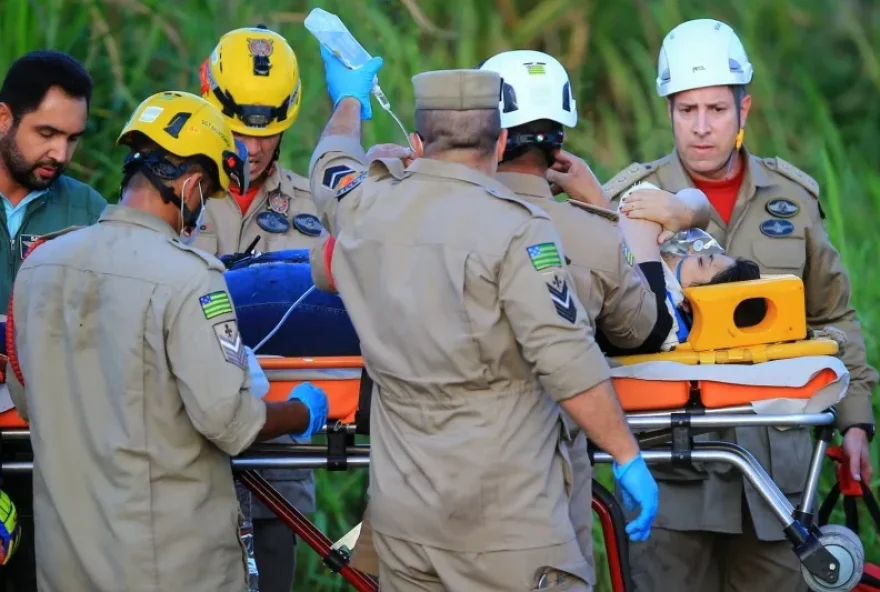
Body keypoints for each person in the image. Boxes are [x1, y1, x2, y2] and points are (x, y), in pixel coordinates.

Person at [308, 43, 658, 591]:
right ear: (496, 143)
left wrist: (348, 101)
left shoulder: (366, 206)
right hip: (504, 525)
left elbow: (331, 167)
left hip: (404, 521)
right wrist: (626, 454)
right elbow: (566, 359)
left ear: (418, 143)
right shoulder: (519, 229)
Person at [4, 90, 329, 592]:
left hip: (67, 567)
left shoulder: (41, 265)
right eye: (208, 197)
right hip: (170, 568)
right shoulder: (190, 277)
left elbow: (28, 399)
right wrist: (303, 412)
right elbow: (231, 422)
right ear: (193, 185)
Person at [602, 19, 879, 592]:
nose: (701, 128)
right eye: (686, 111)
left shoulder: (793, 198)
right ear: (669, 111)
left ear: (744, 109)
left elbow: (832, 318)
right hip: (672, 472)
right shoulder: (630, 202)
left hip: (779, 478)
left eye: (717, 110)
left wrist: (854, 420)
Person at [196, 26, 324, 590]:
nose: (252, 147)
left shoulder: (318, 206)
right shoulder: (173, 197)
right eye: (241, 132)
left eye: (268, 133)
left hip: (281, 466)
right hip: (193, 465)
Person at [0, 48, 107, 592]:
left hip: (53, 447)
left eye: (71, 139)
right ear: (3, 118)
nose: (59, 153)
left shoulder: (88, 211)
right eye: (45, 133)